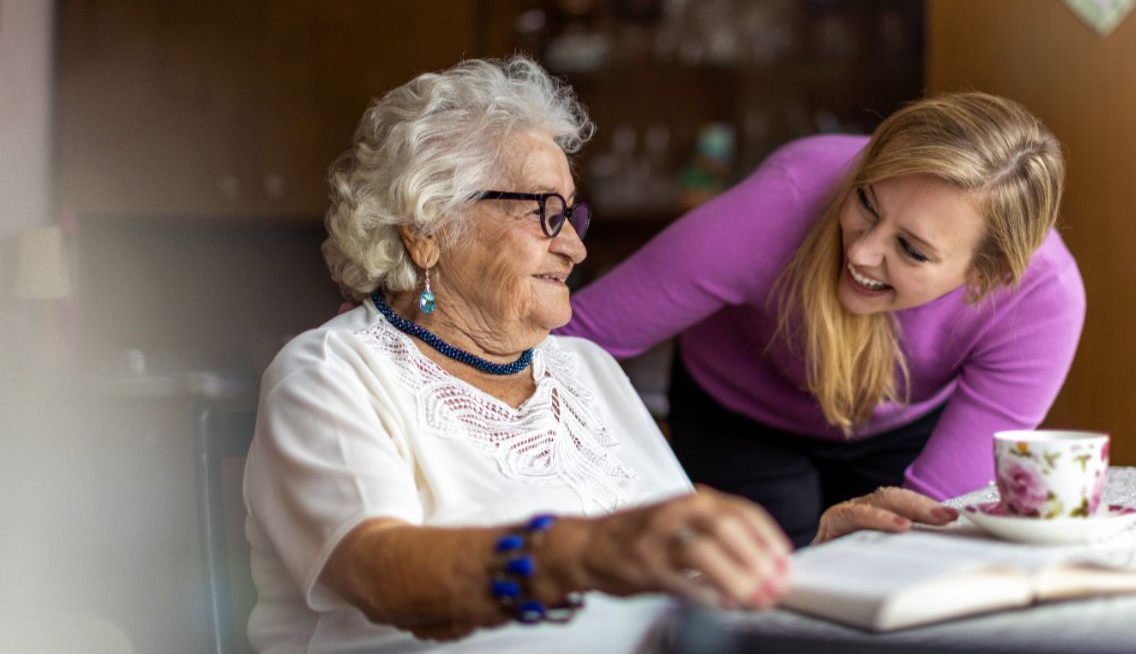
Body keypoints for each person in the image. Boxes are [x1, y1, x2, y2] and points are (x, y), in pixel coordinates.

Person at [242, 57, 958, 653]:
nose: (575, 246)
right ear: (428, 229)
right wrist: (580, 552)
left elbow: (672, 562)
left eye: (572, 214)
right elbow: (381, 574)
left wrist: (815, 549)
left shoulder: (581, 369)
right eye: (542, 212)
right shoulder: (332, 375)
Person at [560, 92, 1085, 547]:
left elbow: (930, 523)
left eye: (910, 249)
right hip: (739, 413)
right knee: (759, 596)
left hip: (901, 426)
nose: (862, 252)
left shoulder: (1042, 300)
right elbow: (570, 336)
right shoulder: (786, 197)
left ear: (986, 276)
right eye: (867, 202)